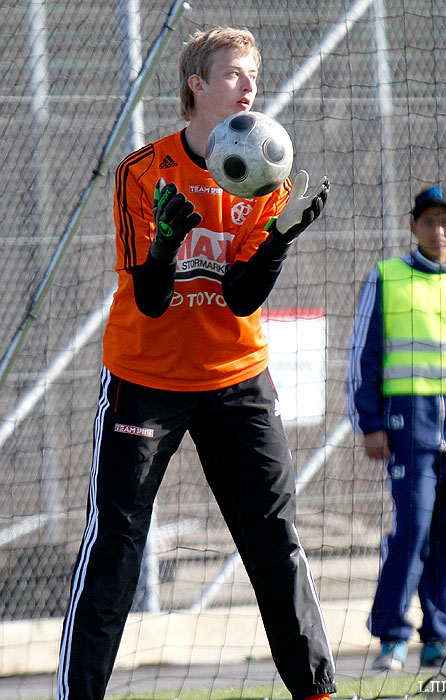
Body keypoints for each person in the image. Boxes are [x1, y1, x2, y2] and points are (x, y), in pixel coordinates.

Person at [56, 27, 336, 700]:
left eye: (253, 74)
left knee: (274, 540)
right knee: (116, 545)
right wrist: (167, 243)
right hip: (144, 382)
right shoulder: (143, 172)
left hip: (234, 380)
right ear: (197, 86)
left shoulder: (266, 167)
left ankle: (319, 692)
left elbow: (240, 296)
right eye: (235, 73)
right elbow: (150, 300)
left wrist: (279, 238)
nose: (249, 85)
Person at [347, 185, 446, 671]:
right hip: (407, 428)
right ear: (413, 227)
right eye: (428, 221)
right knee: (413, 527)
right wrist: (369, 422)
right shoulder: (387, 277)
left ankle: (439, 636)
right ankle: (392, 635)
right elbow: (363, 356)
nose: (438, 229)